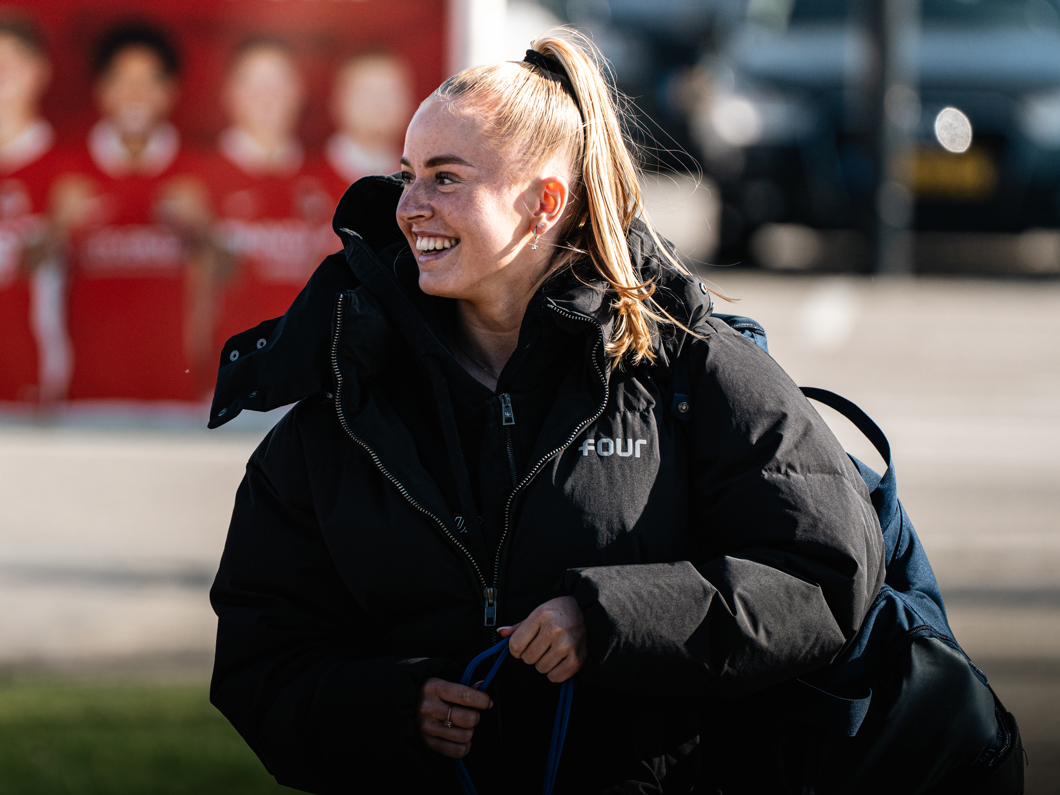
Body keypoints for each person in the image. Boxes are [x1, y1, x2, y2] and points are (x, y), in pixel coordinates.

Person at [207, 30, 1011, 794]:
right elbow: (259, 653)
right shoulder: (349, 393)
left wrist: (610, 619)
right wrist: (386, 706)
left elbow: (825, 573)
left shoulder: (697, 368)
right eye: (408, 172)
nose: (407, 205)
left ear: (543, 202)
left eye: (445, 178)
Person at [49, 23, 216, 402]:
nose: (135, 94)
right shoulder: (67, 172)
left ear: (170, 92)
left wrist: (204, 231)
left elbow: (230, 277)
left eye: (148, 82)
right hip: (85, 398)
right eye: (123, 81)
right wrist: (56, 228)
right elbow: (29, 275)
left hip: (176, 397)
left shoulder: (198, 174)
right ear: (102, 90)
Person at [202, 38, 336, 350]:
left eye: (277, 83)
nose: (266, 97)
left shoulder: (329, 181)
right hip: (227, 371)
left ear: (298, 92)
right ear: (229, 93)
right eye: (253, 84)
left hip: (306, 369)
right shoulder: (198, 181)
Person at [0, 12, 71, 404]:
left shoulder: (70, 173)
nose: (1, 71)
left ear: (39, 71)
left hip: (38, 393)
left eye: (12, 59)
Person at [319, 50, 415, 194]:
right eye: (367, 94)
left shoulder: (424, 185)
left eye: (392, 93)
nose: (381, 104)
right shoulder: (302, 181)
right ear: (337, 102)